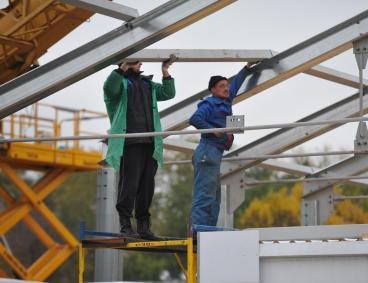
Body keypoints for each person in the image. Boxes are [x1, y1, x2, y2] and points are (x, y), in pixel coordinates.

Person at [103, 57, 176, 240]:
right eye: (137, 61)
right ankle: (125, 224)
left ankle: (144, 226)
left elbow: (168, 93)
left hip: (150, 143)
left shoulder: (147, 84)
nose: (141, 64)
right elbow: (109, 88)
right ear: (125, 63)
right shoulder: (120, 85)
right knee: (129, 185)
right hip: (130, 142)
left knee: (146, 187)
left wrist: (165, 70)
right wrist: (122, 68)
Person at [189, 62, 256, 228]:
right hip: (207, 151)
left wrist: (247, 68)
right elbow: (195, 119)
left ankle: (208, 231)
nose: (226, 89)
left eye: (226, 85)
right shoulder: (209, 103)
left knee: (214, 199)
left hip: (215, 153)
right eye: (222, 86)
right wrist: (213, 130)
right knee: (205, 196)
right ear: (213, 90)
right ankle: (198, 232)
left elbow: (235, 85)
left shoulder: (226, 101)